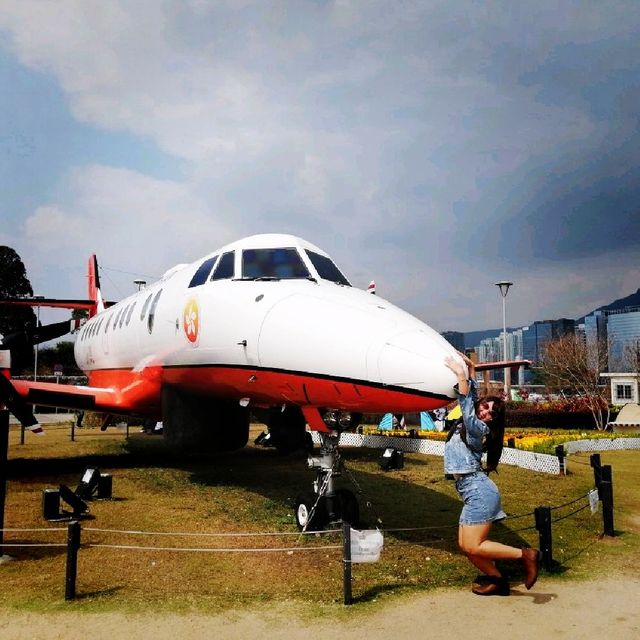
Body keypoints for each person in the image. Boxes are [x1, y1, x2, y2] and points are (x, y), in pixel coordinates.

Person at [444, 350, 539, 596]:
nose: (486, 412)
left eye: (491, 413)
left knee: (474, 545)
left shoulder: (478, 428)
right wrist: (472, 372)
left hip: (479, 492)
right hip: (470, 490)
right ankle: (498, 581)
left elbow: (466, 404)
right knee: (467, 547)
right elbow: (472, 400)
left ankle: (525, 555)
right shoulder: (473, 419)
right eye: (485, 407)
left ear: (492, 421)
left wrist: (459, 374)